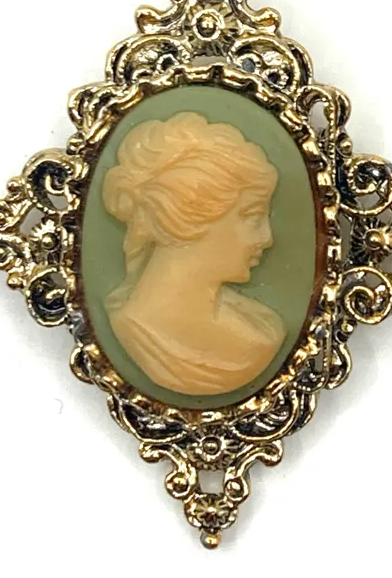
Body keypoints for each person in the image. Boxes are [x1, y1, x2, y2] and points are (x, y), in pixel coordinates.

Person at [102, 110, 286, 395]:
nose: (267, 238)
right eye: (252, 216)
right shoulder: (139, 332)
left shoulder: (263, 328)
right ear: (185, 218)